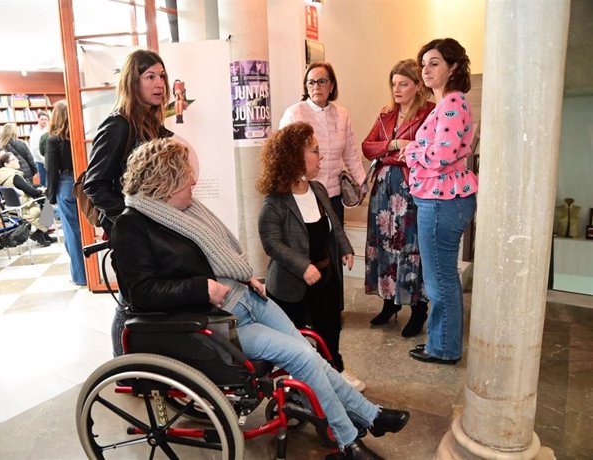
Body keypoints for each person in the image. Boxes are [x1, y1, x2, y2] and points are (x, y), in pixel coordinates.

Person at [111, 137, 409, 460]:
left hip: (246, 296)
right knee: (302, 357)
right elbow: (140, 293)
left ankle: (371, 416)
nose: (194, 182)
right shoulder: (131, 226)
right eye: (186, 177)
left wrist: (243, 275)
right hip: (219, 320)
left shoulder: (184, 211)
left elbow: (214, 257)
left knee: (308, 350)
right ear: (164, 183)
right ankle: (347, 441)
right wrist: (203, 288)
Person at [257, 122, 365, 392]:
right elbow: (272, 244)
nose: (321, 156)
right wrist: (302, 266)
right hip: (289, 285)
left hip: (325, 276)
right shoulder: (275, 202)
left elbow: (333, 224)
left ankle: (335, 368)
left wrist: (345, 247)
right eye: (315, 150)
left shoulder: (318, 189)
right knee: (293, 337)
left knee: (330, 328)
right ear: (295, 158)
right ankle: (297, 381)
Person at [402, 38, 478, 364]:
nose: (426, 69)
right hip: (445, 197)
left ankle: (443, 348)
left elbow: (442, 155)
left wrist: (410, 151)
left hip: (441, 199)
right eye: (424, 63)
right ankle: (441, 342)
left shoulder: (450, 104)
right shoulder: (449, 103)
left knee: (440, 280)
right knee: (443, 277)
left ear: (454, 67)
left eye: (434, 62)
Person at [361, 60, 435, 337]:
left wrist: (392, 154)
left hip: (410, 193)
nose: (397, 89)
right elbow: (368, 148)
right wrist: (393, 145)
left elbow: (423, 150)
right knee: (384, 247)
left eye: (403, 83)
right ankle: (390, 302)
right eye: (394, 84)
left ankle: (418, 309)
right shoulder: (386, 114)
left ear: (418, 86)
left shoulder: (429, 114)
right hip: (383, 194)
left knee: (410, 248)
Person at [84, 49, 173, 235]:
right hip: (135, 231)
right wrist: (129, 222)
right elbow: (95, 184)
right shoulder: (118, 125)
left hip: (153, 221)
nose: (159, 83)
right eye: (150, 77)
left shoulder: (150, 123)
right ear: (133, 82)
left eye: (162, 76)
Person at [279, 61, 366, 224]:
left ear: (331, 86)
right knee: (311, 244)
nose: (316, 87)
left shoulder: (342, 114)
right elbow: (283, 157)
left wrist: (363, 183)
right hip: (305, 192)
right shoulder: (294, 113)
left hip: (334, 194)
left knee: (335, 243)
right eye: (311, 82)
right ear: (306, 86)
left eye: (322, 81)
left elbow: (351, 154)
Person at [46, 101, 86, 286]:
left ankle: (80, 276)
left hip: (65, 184)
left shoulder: (53, 139)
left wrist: (50, 196)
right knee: (86, 229)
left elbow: (51, 170)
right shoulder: (79, 136)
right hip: (83, 182)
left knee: (72, 233)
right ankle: (92, 272)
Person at [0, 151, 54, 247]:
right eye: (13, 159)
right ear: (6, 164)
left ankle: (43, 235)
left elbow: (25, 189)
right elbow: (32, 192)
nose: (17, 160)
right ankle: (40, 233)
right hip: (25, 208)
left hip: (12, 210)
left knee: (43, 202)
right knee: (48, 205)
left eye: (16, 158)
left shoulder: (1, 176)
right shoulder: (14, 176)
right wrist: (41, 190)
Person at [29, 110, 50, 187]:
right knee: (43, 182)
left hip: (48, 159)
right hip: (40, 161)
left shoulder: (48, 130)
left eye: (46, 119)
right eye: (42, 119)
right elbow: (34, 150)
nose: (44, 121)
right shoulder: (35, 132)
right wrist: (43, 160)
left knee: (50, 181)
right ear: (38, 119)